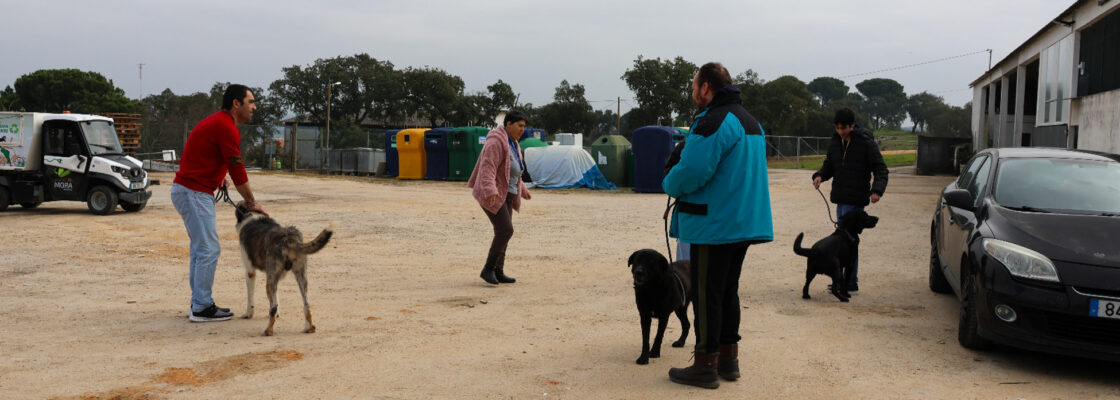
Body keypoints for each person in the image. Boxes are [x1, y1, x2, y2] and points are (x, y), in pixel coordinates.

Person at [662, 62, 773, 389]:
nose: (693, 91)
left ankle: (705, 363)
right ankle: (728, 359)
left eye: (694, 85)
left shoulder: (712, 120)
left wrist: (669, 183)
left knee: (707, 293)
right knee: (727, 291)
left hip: (715, 222)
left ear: (706, 87)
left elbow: (693, 170)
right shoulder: (751, 122)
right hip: (742, 222)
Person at [172, 84, 267, 322]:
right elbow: (238, 170)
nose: (254, 107)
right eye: (251, 102)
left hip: (190, 190)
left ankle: (198, 303)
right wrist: (252, 202)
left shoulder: (221, 123)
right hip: (194, 192)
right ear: (237, 103)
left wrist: (216, 178)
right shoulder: (226, 127)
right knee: (208, 249)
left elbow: (210, 157)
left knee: (200, 248)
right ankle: (202, 307)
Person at [811, 108, 888, 295]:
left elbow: (880, 169)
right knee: (842, 242)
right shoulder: (836, 142)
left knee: (848, 242)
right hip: (840, 198)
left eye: (844, 128)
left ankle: (850, 282)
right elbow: (830, 165)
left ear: (852, 125)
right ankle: (842, 281)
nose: (840, 131)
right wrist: (820, 175)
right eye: (837, 128)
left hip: (855, 199)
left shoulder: (865, 143)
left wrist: (877, 190)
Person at [468, 110, 532, 285]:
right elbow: (488, 167)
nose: (522, 129)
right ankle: (488, 269)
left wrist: (523, 188)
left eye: (524, 126)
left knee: (503, 232)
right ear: (508, 124)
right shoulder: (496, 142)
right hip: (495, 194)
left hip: (508, 194)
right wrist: (490, 192)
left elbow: (514, 171)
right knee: (505, 230)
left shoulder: (513, 143)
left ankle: (498, 271)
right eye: (520, 125)